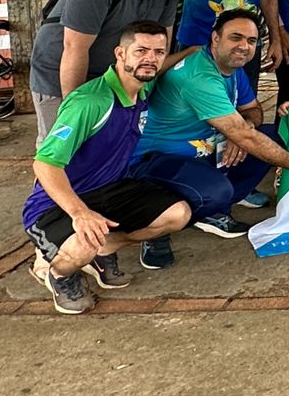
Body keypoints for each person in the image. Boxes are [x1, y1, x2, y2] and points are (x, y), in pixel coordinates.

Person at [131, 9, 289, 267]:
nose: (244, 46)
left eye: (251, 41)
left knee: (273, 134)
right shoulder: (200, 76)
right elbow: (245, 134)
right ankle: (154, 224)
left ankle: (209, 211)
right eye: (235, 37)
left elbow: (254, 110)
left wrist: (240, 129)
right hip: (159, 160)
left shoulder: (232, 68)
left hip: (205, 151)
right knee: (216, 191)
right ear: (215, 38)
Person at [24, 22, 193, 314]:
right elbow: (45, 164)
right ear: (120, 54)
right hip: (57, 201)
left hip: (111, 189)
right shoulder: (90, 102)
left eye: (158, 52)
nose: (150, 59)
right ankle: (59, 274)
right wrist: (80, 214)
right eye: (141, 51)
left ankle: (104, 250)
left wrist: (191, 51)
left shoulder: (141, 85)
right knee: (85, 241)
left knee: (178, 215)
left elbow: (160, 68)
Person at [30, 0, 185, 140]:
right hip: (61, 72)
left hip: (113, 76)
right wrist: (74, 111)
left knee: (106, 148)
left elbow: (161, 45)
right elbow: (74, 49)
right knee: (64, 148)